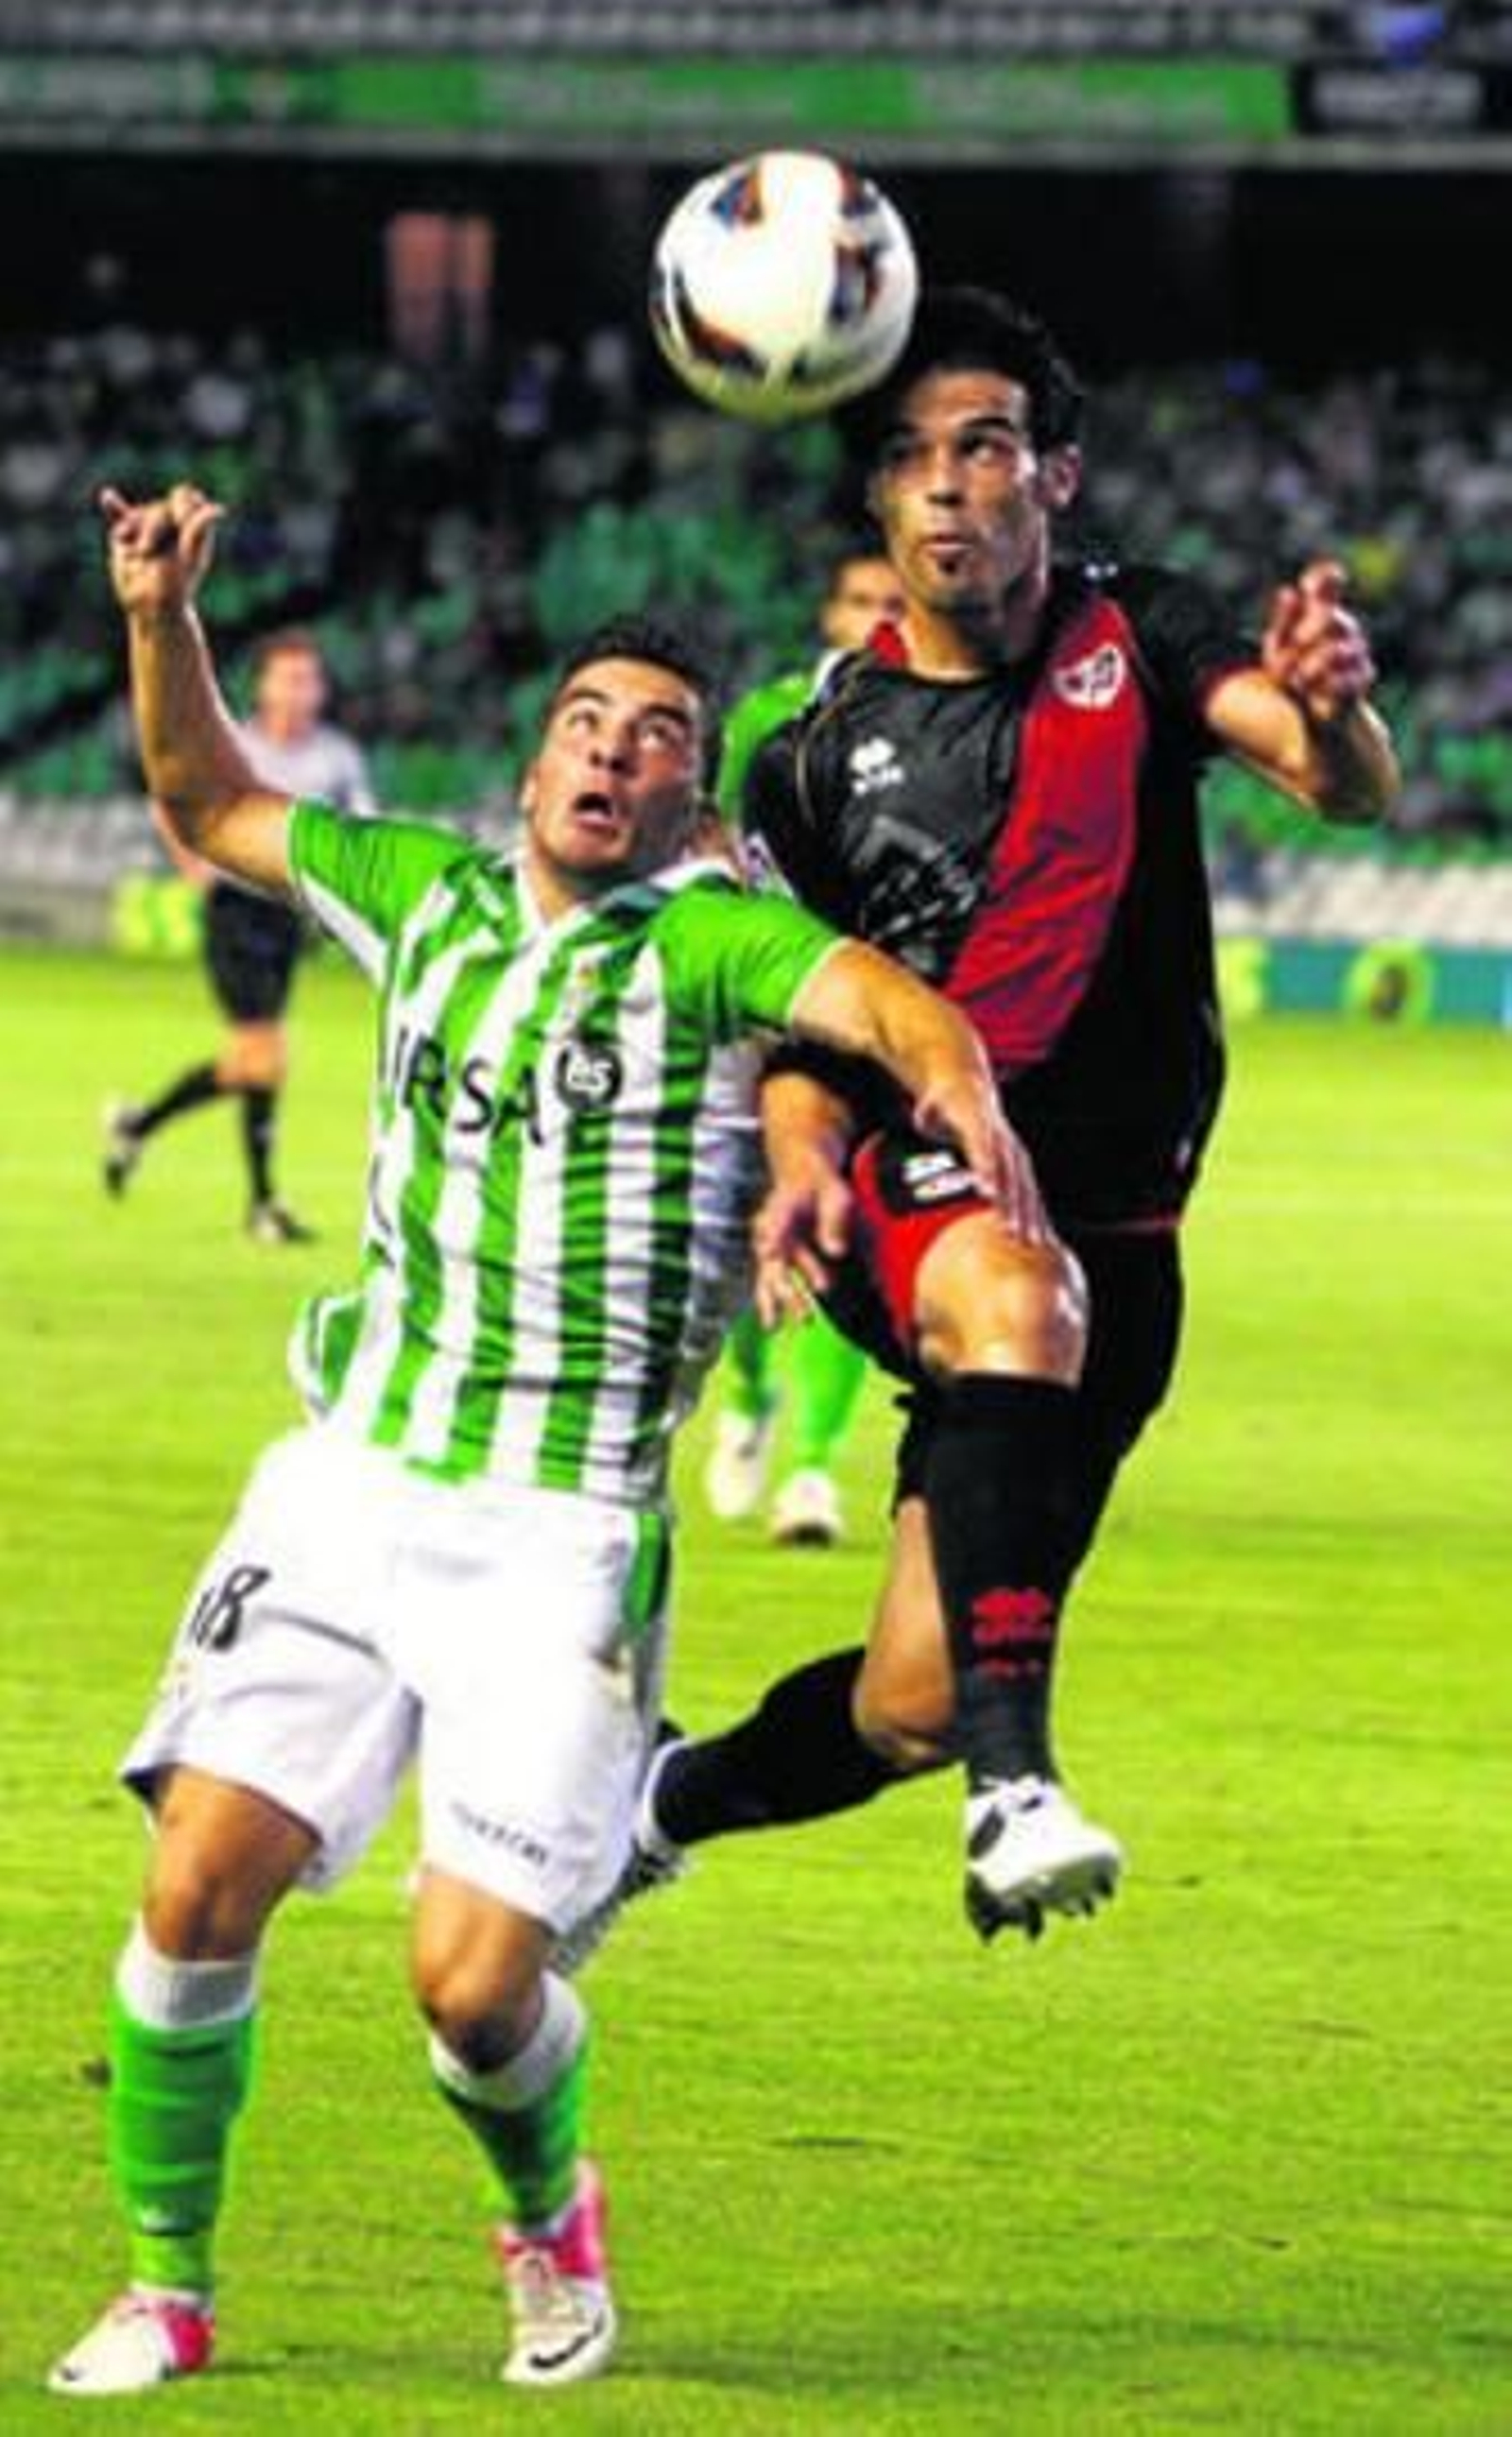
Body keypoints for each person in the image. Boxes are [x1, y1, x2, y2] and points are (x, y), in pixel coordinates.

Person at [51, 477, 1036, 2398]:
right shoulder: (416, 888)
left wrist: (955, 1089)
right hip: (348, 1477)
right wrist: (161, 614)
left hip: (557, 1532)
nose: (615, 749)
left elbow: (886, 1001)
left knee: (474, 1984)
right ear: (532, 763)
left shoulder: (713, 948)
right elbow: (202, 805)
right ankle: (168, 2282)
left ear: (692, 801)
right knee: (192, 1882)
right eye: (588, 720)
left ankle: (544, 2217)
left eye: (658, 736)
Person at [590, 285, 1400, 1952]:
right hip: (932, 1193)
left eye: (987, 448)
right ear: (880, 503)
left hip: (1131, 1232)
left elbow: (1337, 782)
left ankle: (654, 1801)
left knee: (910, 1693)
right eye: (913, 459)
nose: (951, 485)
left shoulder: (1144, 636)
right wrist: (804, 1158)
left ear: (1059, 476)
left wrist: (1330, 705)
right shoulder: (812, 754)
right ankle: (1018, 1790)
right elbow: (802, 1015)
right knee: (1021, 1286)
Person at [703, 547, 905, 1546]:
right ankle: (746, 1388)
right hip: (765, 999)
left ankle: (815, 1471)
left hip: (880, 1011)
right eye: (860, 600)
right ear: (831, 611)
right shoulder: (763, 717)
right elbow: (712, 841)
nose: (874, 616)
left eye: (891, 603)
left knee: (849, 1231)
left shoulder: (945, 715)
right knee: (751, 1231)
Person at [101, 627, 375, 1244]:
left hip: (288, 917)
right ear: (264, 686)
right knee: (266, 1054)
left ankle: (138, 1125)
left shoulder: (336, 757)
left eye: (310, 679)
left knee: (254, 1064)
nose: (301, 691)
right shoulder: (235, 746)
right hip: (236, 910)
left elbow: (363, 829)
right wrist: (193, 866)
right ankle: (262, 1205)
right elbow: (168, 797)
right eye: (289, 677)